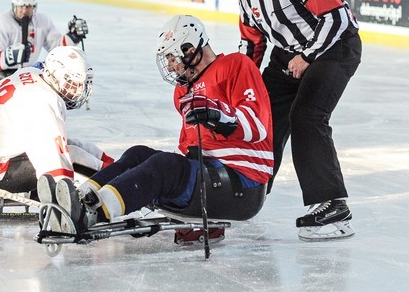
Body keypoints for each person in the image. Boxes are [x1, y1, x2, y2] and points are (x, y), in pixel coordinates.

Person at [37, 15, 273, 245]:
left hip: (240, 183)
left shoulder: (235, 65)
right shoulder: (184, 90)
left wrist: (217, 113)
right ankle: (80, 198)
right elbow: (187, 148)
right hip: (208, 177)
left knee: (164, 166)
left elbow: (258, 127)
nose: (170, 65)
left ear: (190, 49)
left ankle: (91, 215)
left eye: (172, 57)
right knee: (138, 154)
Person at [201, 0, 361, 241]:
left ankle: (334, 207)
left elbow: (337, 18)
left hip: (333, 48)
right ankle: (248, 189)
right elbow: (252, 46)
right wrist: (237, 88)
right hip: (288, 55)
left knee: (307, 116)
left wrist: (309, 56)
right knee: (262, 116)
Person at [0, 46, 112, 201]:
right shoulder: (43, 100)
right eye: (72, 83)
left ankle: (116, 168)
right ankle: (114, 184)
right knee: (72, 155)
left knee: (75, 145)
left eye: (82, 84)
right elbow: (50, 154)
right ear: (56, 76)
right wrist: (64, 196)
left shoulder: (31, 74)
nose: (79, 91)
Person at [0, 0, 88, 85]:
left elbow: (57, 47)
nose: (25, 11)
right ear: (14, 6)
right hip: (3, 77)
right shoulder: (0, 22)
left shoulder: (42, 21)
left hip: (27, 74)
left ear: (34, 7)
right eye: (21, 6)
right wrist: (12, 56)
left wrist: (73, 36)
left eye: (29, 6)